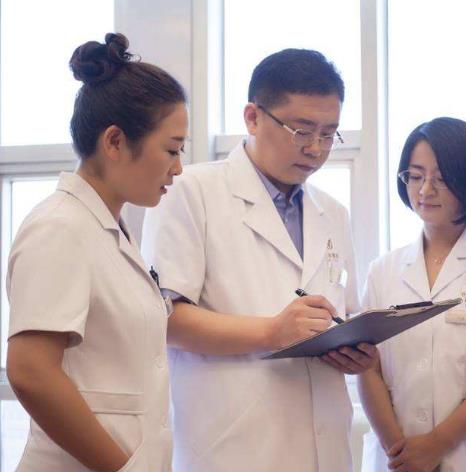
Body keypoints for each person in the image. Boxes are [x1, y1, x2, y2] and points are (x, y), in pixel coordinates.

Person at [141, 48, 378, 472]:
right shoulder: (189, 191)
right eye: (302, 131)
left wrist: (353, 349)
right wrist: (271, 332)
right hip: (233, 448)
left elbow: (343, 313)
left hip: (325, 447)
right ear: (252, 117)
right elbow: (164, 319)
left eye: (329, 134)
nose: (316, 149)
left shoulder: (333, 213)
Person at [5, 33, 187, 471]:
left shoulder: (107, 231)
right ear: (115, 141)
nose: (178, 168)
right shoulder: (59, 227)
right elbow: (31, 372)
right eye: (171, 149)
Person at [358, 117, 466, 472]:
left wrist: (437, 446)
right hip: (396, 457)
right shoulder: (383, 270)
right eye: (415, 176)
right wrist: (399, 451)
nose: (425, 190)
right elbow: (368, 369)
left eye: (440, 178)